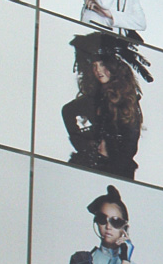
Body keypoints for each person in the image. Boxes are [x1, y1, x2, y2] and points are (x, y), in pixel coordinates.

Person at [61, 31, 152, 180]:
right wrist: (86, 145)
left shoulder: (126, 100)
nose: (98, 70)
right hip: (91, 165)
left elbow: (130, 144)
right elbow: (68, 111)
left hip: (117, 170)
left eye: (102, 64)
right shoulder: (94, 97)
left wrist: (108, 153)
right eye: (94, 65)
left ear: (113, 66)